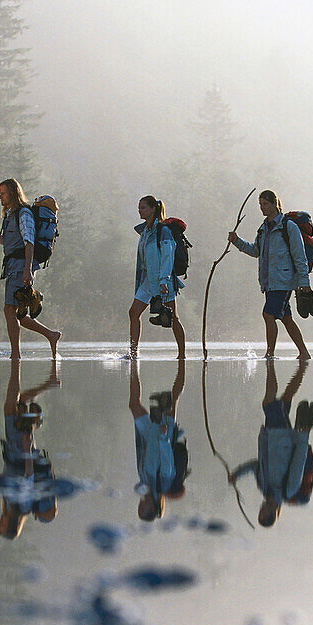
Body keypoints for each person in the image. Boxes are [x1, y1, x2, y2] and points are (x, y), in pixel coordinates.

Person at [0, 179, 61, 360]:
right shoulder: (10, 216)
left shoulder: (24, 214)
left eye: (3, 193)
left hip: (21, 266)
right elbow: (6, 242)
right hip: (13, 266)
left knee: (9, 309)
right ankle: (51, 335)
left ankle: (16, 354)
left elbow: (29, 242)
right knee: (17, 313)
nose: (0, 196)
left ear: (13, 193)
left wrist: (27, 270)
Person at [229, 360, 313, 528]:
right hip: (281, 438)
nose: (262, 509)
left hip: (271, 437)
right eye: (264, 513)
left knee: (285, 399)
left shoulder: (263, 488)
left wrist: (236, 474)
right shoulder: (288, 490)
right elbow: (298, 461)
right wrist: (303, 434)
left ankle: (302, 367)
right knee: (268, 403)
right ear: (273, 513)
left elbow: (256, 465)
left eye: (260, 512)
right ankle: (271, 361)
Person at [228, 190, 312, 360]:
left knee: (268, 314)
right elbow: (255, 251)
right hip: (269, 283)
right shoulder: (263, 229)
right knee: (286, 319)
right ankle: (304, 353)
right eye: (260, 205)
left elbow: (299, 256)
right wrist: (237, 241)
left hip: (284, 281)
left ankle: (270, 354)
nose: (262, 208)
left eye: (265, 204)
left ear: (275, 204)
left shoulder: (288, 227)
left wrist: (304, 282)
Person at [0, 359, 61, 539]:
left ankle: (48, 383)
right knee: (11, 407)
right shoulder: (22, 507)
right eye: (3, 526)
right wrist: (26, 449)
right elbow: (28, 477)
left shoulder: (9, 507)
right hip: (19, 453)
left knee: (19, 403)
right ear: (11, 526)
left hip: (15, 453)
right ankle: (15, 358)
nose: (0, 522)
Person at [129, 358, 188, 521]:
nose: (140, 505)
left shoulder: (145, 485)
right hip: (163, 434)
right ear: (153, 507)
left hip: (148, 435)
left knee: (133, 404)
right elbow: (168, 463)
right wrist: (163, 436)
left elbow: (143, 457)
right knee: (174, 399)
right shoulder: (163, 485)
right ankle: (182, 361)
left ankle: (133, 362)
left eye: (139, 508)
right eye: (143, 508)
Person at [129, 195, 186, 359]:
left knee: (173, 317)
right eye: (139, 208)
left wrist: (164, 280)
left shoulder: (163, 231)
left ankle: (182, 355)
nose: (140, 211)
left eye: (143, 208)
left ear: (153, 209)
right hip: (147, 281)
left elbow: (168, 256)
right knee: (133, 313)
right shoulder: (144, 232)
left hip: (164, 281)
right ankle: (133, 353)